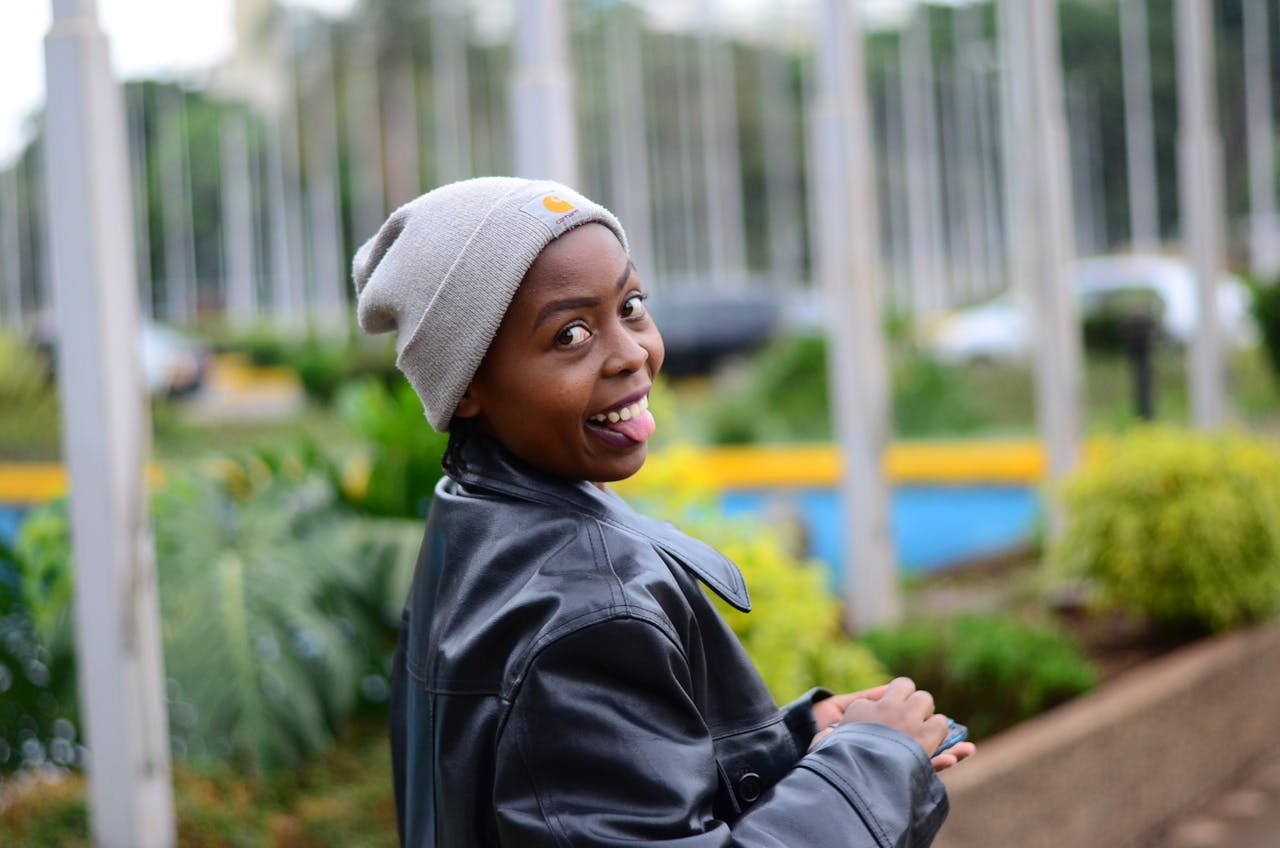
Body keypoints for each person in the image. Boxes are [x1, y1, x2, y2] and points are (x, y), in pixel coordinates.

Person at [352, 176, 975, 847]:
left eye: (632, 305)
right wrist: (871, 768)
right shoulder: (589, 613)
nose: (631, 352)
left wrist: (802, 742)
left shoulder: (470, 518)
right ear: (467, 384)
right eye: (570, 334)